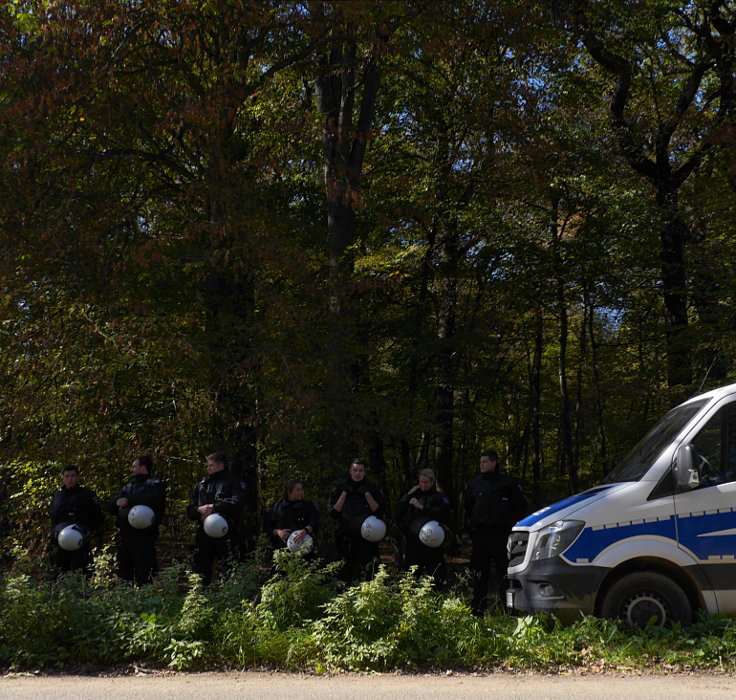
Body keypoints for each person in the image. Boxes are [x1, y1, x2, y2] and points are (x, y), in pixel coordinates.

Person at [464, 449, 526, 615]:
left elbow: (519, 508)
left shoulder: (508, 483)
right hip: (481, 535)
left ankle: (508, 611)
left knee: (504, 574)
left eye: (485, 462)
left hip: (502, 535)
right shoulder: (474, 484)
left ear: (494, 462)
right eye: (480, 462)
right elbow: (468, 508)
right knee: (479, 575)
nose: (481, 465)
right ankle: (477, 611)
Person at [187, 452, 247, 585]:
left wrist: (213, 507)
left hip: (227, 533)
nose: (208, 469)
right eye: (208, 466)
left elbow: (237, 504)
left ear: (221, 465)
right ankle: (199, 599)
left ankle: (228, 598)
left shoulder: (233, 483)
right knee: (201, 571)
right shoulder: (201, 486)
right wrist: (199, 510)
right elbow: (190, 511)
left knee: (228, 569)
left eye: (211, 465)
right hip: (204, 535)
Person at [107, 455, 166, 585]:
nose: (131, 470)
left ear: (143, 468)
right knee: (124, 573)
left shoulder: (155, 485)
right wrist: (117, 502)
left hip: (144, 537)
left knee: (144, 572)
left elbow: (156, 501)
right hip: (125, 537)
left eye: (134, 466)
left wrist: (130, 501)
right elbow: (112, 508)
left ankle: (145, 601)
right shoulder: (128, 487)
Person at [328, 458, 387, 582]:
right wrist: (343, 495)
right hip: (346, 537)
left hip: (367, 538)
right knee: (344, 571)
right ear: (350, 471)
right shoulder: (340, 488)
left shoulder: (372, 488)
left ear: (365, 472)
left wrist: (367, 495)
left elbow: (379, 511)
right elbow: (333, 513)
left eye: (360, 471)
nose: (357, 473)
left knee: (370, 570)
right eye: (355, 470)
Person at [395, 468, 450, 584]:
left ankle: (436, 594)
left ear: (432, 482)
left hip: (432, 539)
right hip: (413, 539)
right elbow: (398, 511)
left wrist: (421, 507)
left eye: (426, 482)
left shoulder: (439, 497)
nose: (423, 485)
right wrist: (409, 494)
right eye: (421, 482)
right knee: (412, 571)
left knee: (435, 571)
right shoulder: (413, 495)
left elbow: (443, 513)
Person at [49, 465, 103, 576]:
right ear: (63, 478)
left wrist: (86, 532)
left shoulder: (87, 495)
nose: (70, 479)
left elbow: (97, 518)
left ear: (77, 478)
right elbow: (54, 518)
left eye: (73, 476)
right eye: (67, 476)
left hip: (79, 543)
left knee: (81, 576)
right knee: (58, 575)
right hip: (60, 544)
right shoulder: (58, 496)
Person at [262, 478, 319, 557]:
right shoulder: (275, 508)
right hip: (282, 552)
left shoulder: (308, 506)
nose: (301, 493)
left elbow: (315, 522)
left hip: (305, 552)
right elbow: (267, 527)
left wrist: (305, 531)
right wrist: (278, 532)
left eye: (301, 490)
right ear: (289, 492)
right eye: (298, 490)